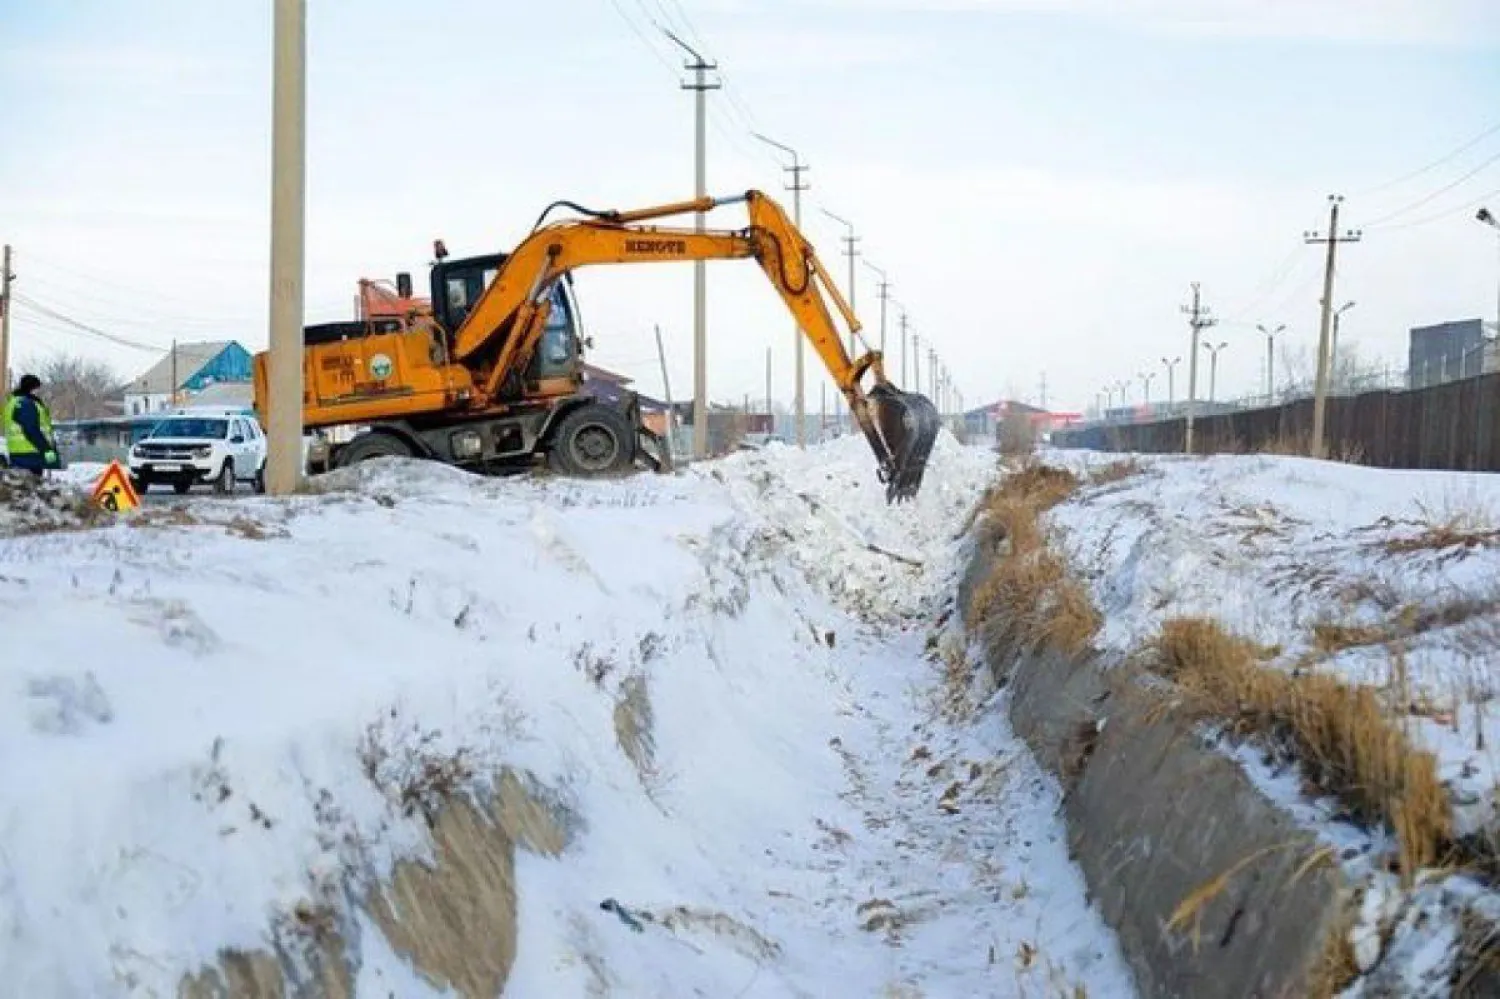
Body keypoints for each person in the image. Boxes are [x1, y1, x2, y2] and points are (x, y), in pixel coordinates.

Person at [2, 374, 60, 476]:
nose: (39, 392)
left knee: (23, 485)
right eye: (38, 388)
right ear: (32, 388)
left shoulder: (13, 402)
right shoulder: (26, 403)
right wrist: (47, 450)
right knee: (32, 484)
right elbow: (31, 429)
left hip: (19, 452)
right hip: (31, 453)